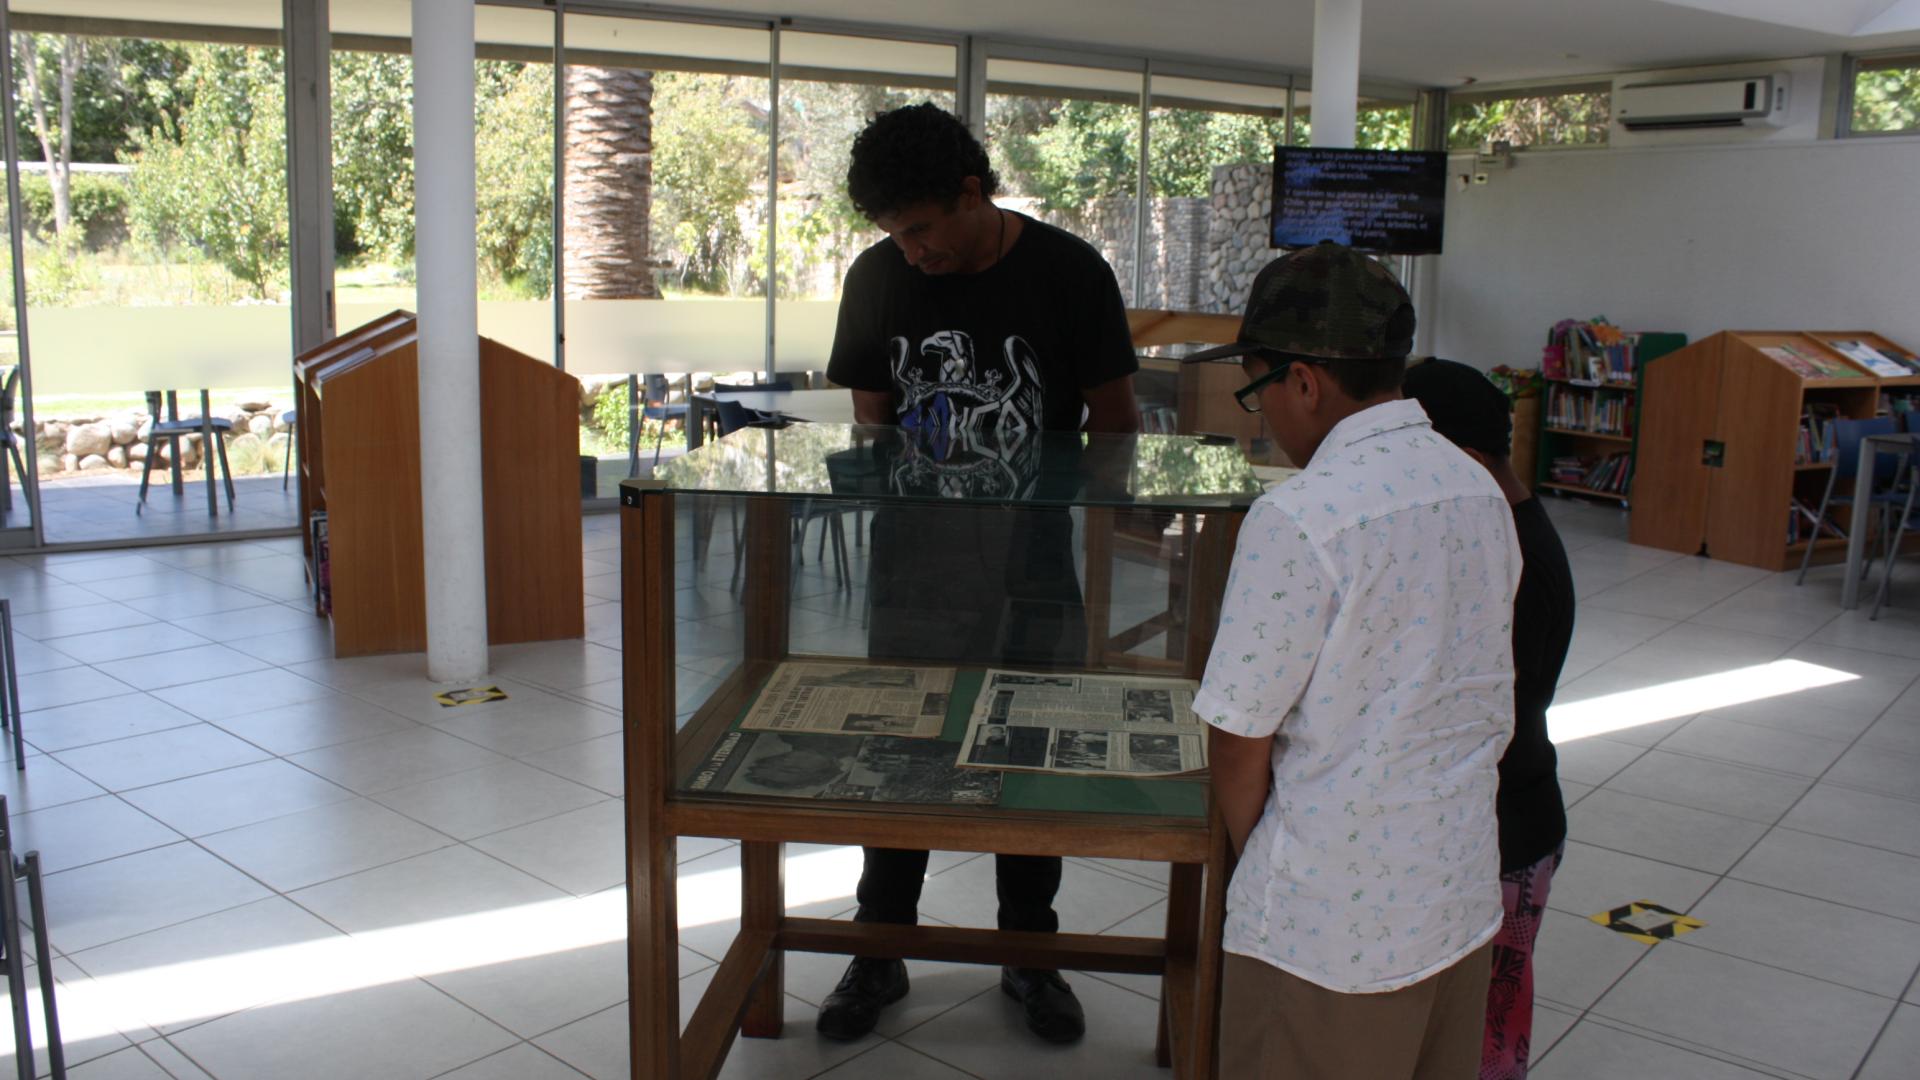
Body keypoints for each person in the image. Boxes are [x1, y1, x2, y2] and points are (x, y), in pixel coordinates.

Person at [818, 102, 1141, 1044]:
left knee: (1032, 754)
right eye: (893, 235)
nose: (910, 252)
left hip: (1036, 558)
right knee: (901, 755)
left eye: (920, 229)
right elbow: (873, 423)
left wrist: (1085, 527)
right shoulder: (878, 278)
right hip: (917, 564)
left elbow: (1114, 423)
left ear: (972, 194)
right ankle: (879, 948)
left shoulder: (1070, 271)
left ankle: (1029, 954)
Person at [1189, 242, 1522, 1079]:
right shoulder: (1477, 487)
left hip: (1326, 934)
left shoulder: (1301, 517)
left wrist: (1266, 856)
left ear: (1303, 381)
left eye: (1259, 390)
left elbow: (1237, 735)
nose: (1261, 416)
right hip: (1456, 895)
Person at [1403, 358, 1574, 1080]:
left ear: (1465, 460)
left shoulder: (1513, 558)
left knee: (1486, 1035)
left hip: (1508, 832)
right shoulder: (1501, 531)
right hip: (1497, 824)